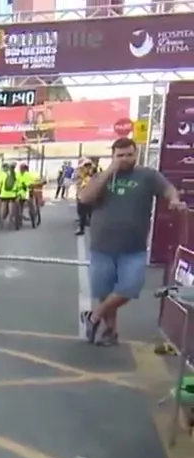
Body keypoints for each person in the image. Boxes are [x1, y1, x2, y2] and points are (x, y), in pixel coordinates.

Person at [79, 137, 187, 346]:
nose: (125, 159)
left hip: (133, 247)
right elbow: (85, 198)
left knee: (130, 288)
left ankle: (93, 316)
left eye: (129, 154)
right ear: (112, 156)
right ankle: (110, 332)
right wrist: (109, 172)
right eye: (120, 155)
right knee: (104, 291)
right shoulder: (102, 177)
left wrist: (174, 200)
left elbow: (168, 189)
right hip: (102, 245)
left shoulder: (147, 175)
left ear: (136, 154)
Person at [74, 158, 97, 236]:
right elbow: (77, 181)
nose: (88, 167)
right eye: (86, 166)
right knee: (82, 213)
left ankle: (93, 227)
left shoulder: (94, 173)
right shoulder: (79, 173)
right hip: (82, 195)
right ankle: (81, 228)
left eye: (89, 166)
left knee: (91, 213)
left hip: (92, 196)